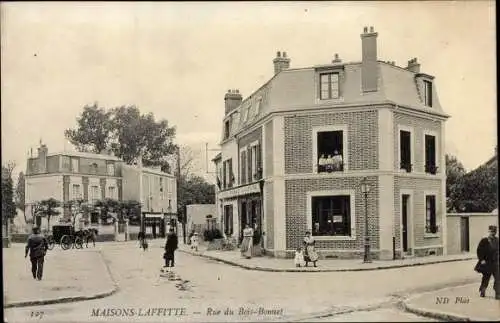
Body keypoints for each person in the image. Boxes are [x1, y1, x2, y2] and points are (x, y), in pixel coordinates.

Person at [475, 225, 499, 299]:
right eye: (491, 231)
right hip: (487, 262)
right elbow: (479, 250)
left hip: (495, 263)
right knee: (486, 277)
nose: (493, 233)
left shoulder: (497, 240)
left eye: (494, 232)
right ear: (489, 231)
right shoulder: (484, 240)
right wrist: (481, 259)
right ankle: (483, 290)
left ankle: (498, 293)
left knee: (498, 278)